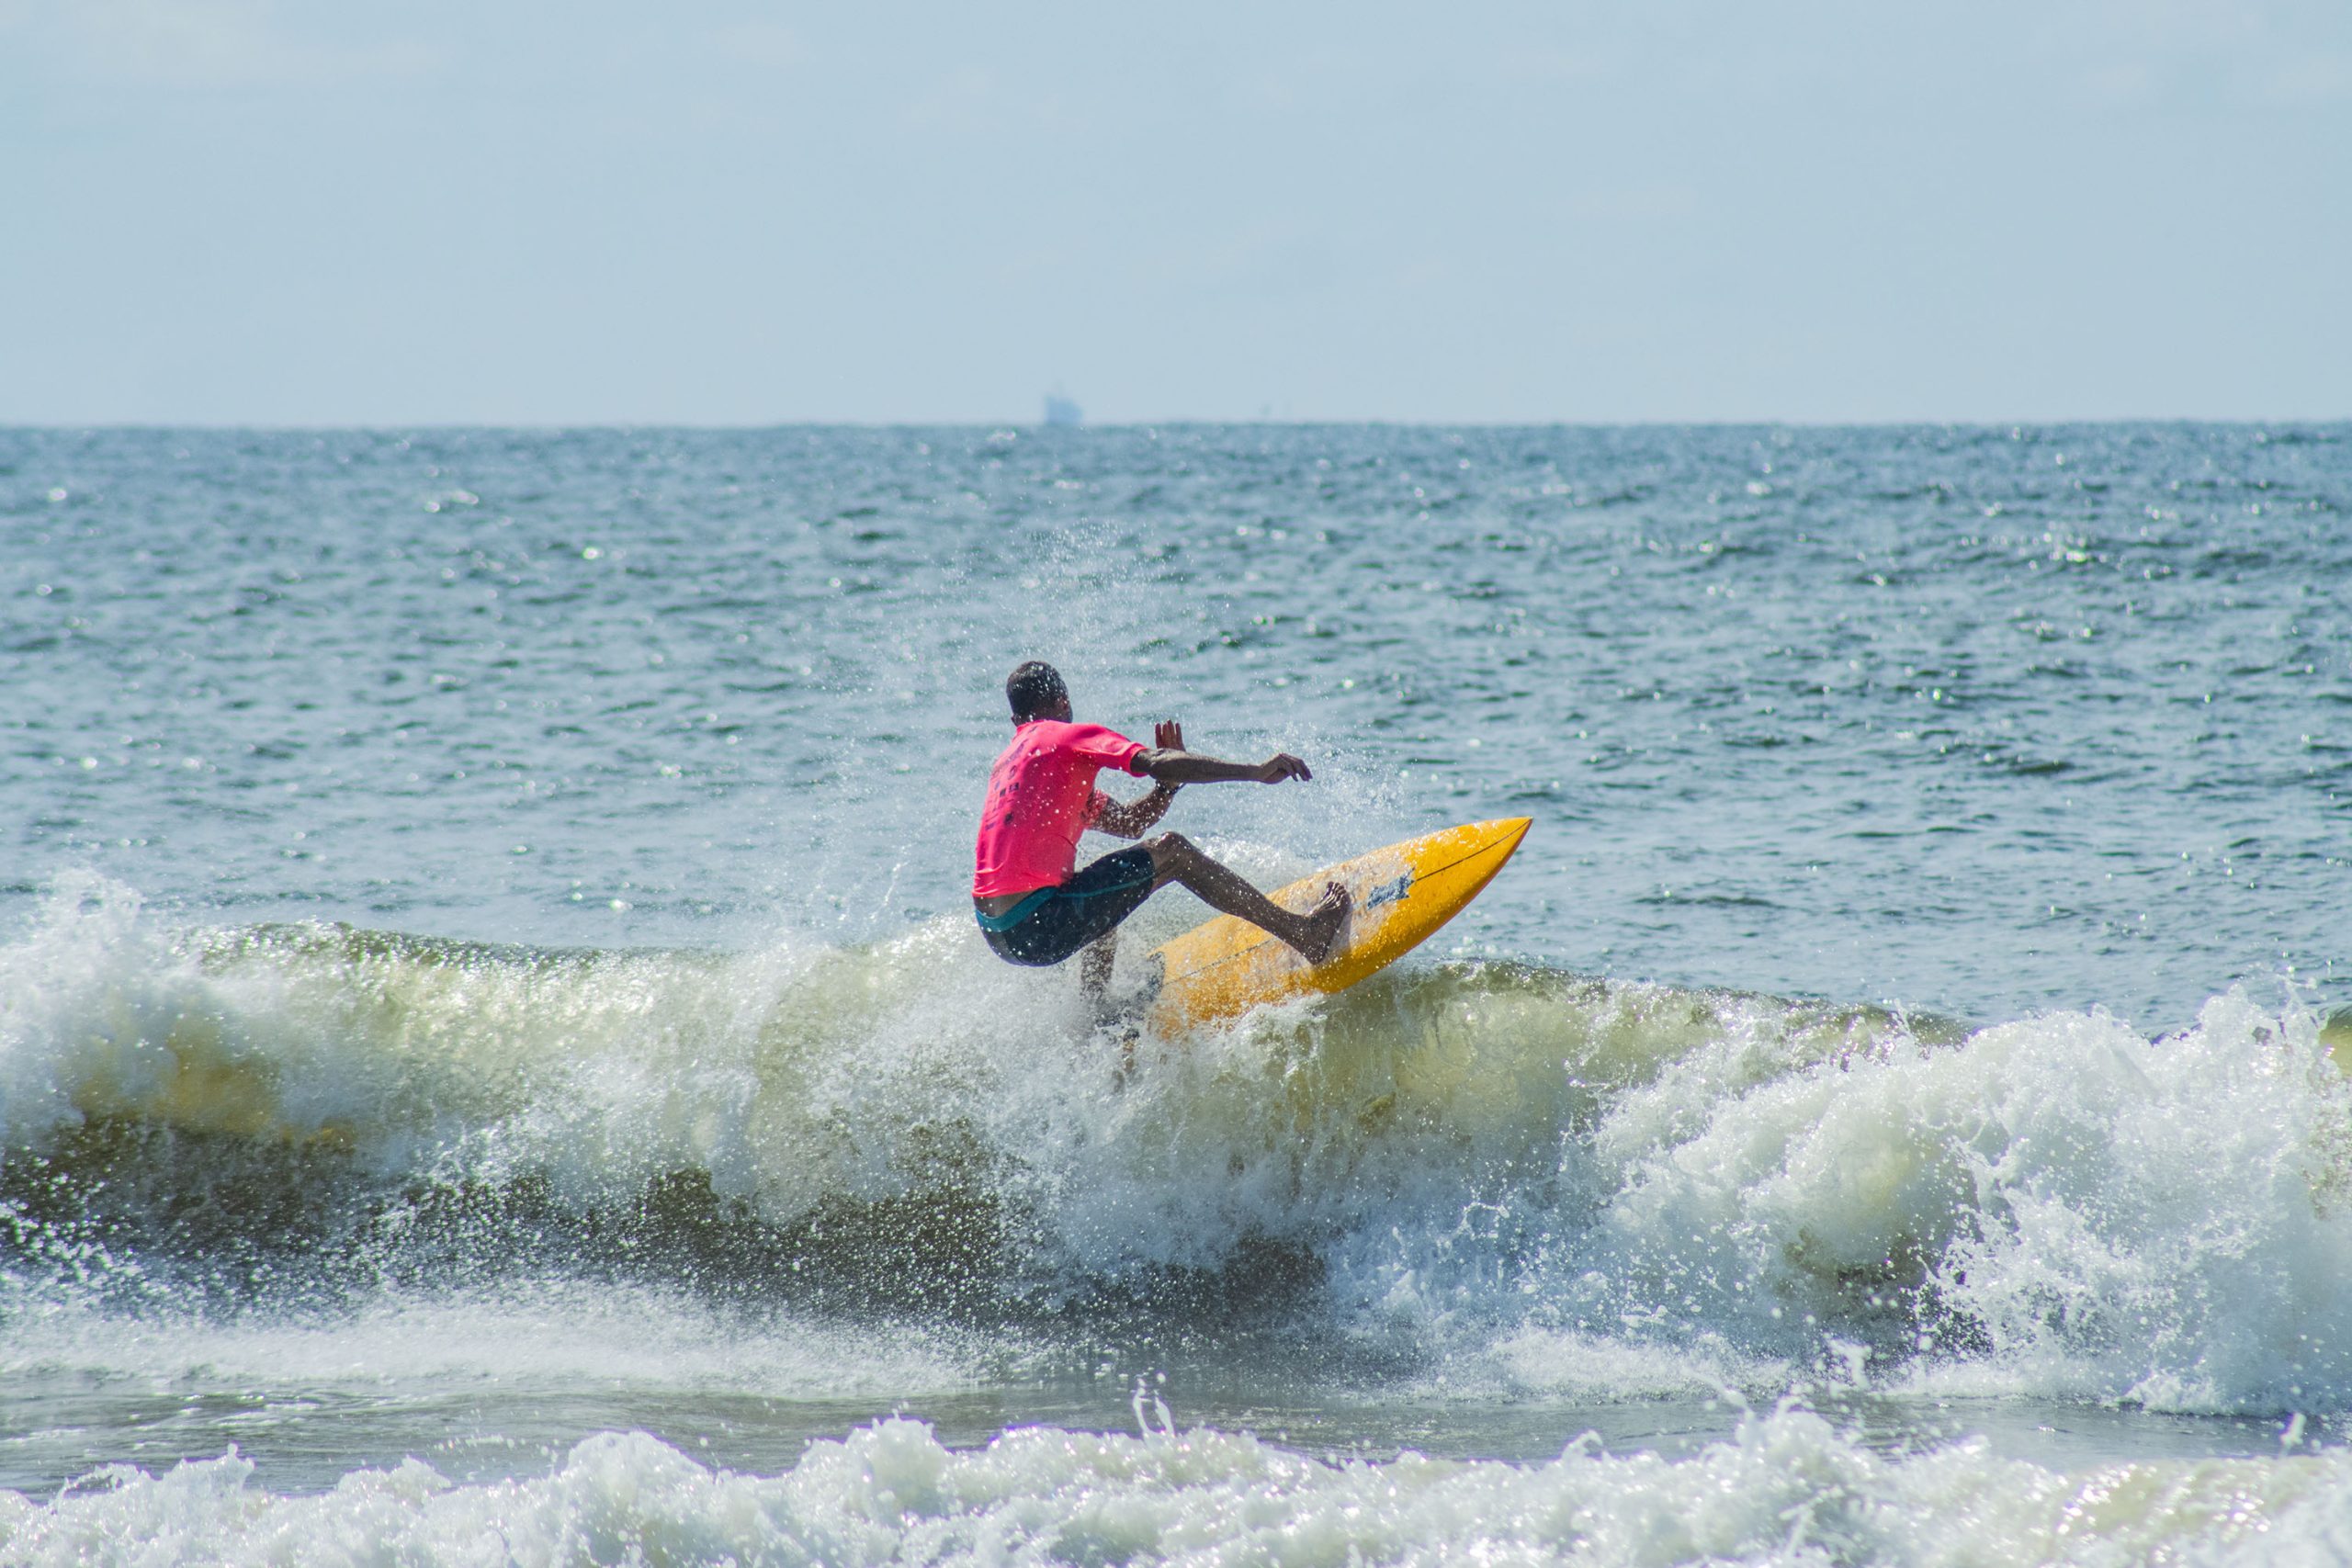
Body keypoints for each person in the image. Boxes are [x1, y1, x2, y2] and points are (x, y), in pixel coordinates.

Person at [972, 660, 1351, 997]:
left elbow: (1130, 824)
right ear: (1063, 702)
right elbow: (1155, 761)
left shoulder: (1010, 763)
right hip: (1037, 924)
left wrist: (1166, 786)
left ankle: (1095, 1008)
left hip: (1000, 934)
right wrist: (1252, 771)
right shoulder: (1064, 736)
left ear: (1015, 721)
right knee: (1173, 852)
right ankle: (1306, 935)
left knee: (1100, 885)